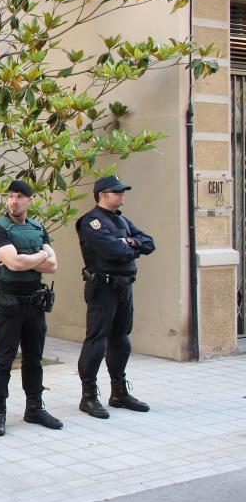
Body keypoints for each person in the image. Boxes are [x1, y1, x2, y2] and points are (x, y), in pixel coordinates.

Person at [0, 179, 63, 437]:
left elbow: (52, 266)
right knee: (3, 359)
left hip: (35, 302)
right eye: (10, 196)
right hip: (9, 302)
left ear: (30, 200)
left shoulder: (38, 227)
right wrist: (40, 256)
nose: (14, 201)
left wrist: (30, 259)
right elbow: (15, 264)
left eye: (19, 196)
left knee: (34, 359)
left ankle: (34, 409)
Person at [76, 175, 155, 418]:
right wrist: (130, 246)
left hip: (124, 286)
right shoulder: (91, 222)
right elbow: (113, 250)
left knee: (121, 338)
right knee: (97, 340)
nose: (122, 195)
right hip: (103, 287)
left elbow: (149, 243)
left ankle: (119, 392)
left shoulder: (122, 221)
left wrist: (128, 241)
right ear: (102, 194)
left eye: (123, 191)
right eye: (117, 191)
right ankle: (88, 397)